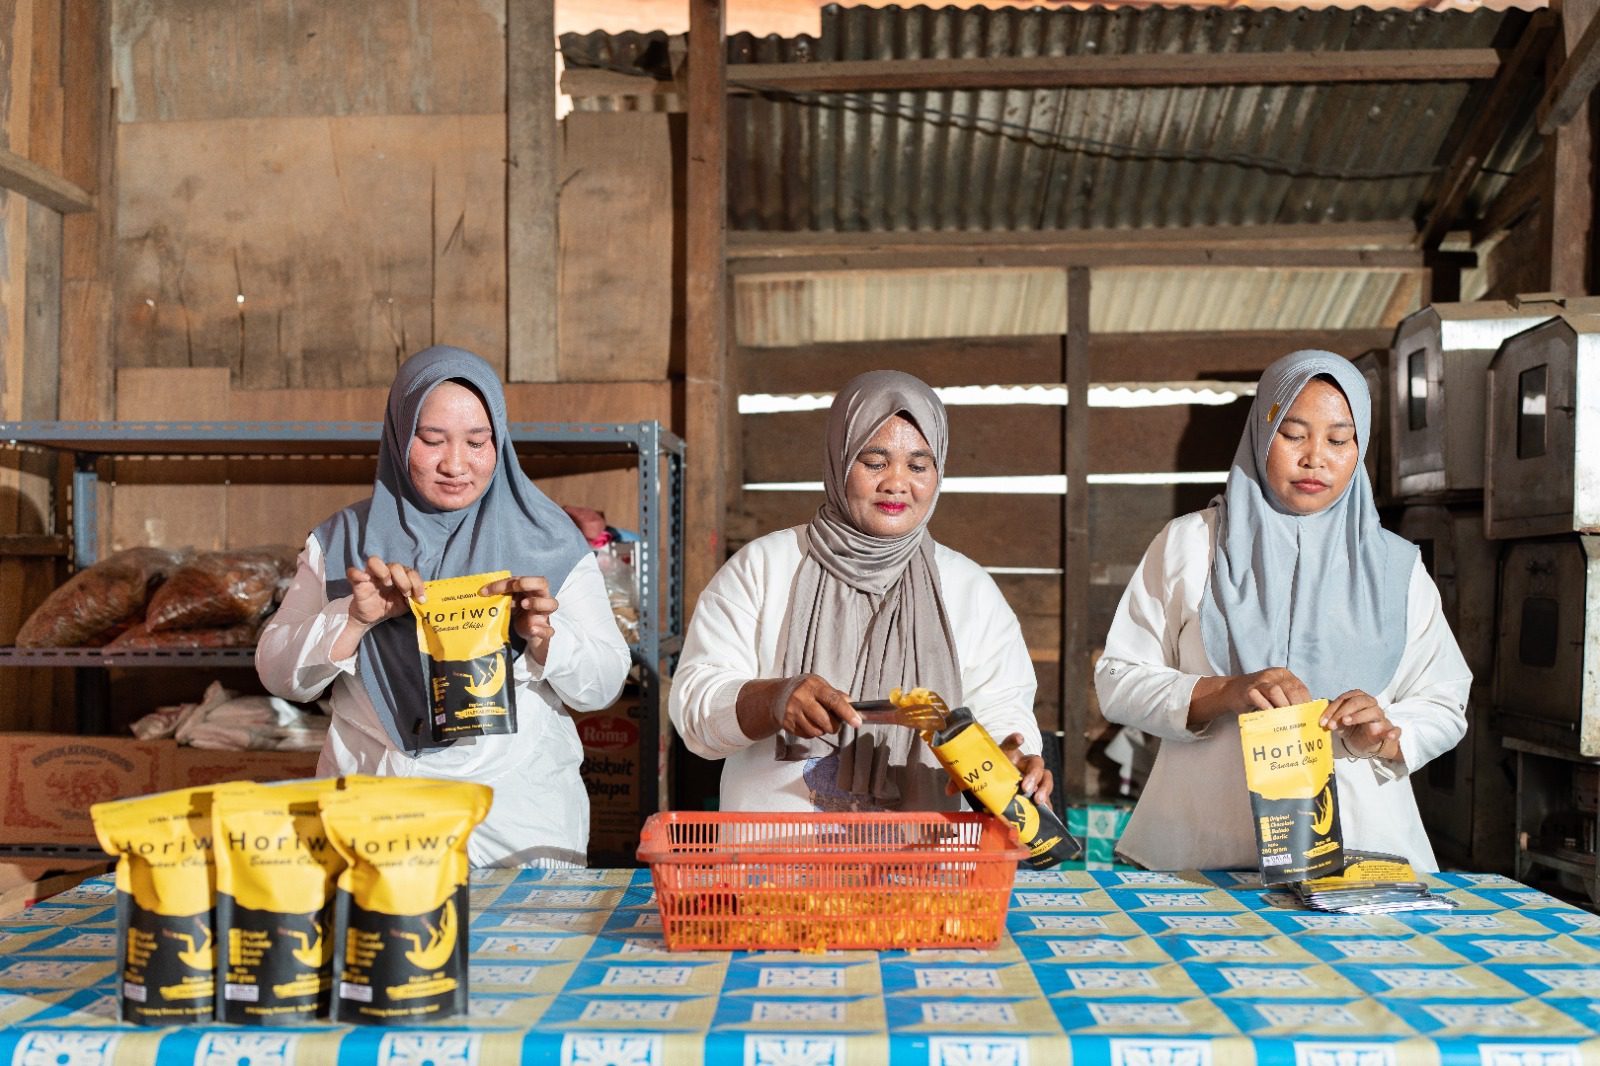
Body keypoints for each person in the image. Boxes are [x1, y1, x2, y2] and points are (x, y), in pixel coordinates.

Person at [1095, 350, 1471, 872]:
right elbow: (1119, 680)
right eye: (1294, 434)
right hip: (1202, 852)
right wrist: (1222, 691)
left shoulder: (1396, 568)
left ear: (1359, 449)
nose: (1315, 457)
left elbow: (1445, 703)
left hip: (1361, 857)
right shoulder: (1191, 545)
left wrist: (1384, 734)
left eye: (1339, 440)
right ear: (1260, 434)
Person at [257, 345, 630, 868]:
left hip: (517, 818)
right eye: (431, 441)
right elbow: (279, 675)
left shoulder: (550, 541)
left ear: (499, 440)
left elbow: (604, 685)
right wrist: (354, 619)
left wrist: (545, 635)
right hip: (375, 814)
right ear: (398, 435)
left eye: (478, 442)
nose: (456, 464)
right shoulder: (342, 542)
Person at [670, 370, 1051, 813]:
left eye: (918, 465)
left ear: (939, 471)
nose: (896, 482)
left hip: (922, 863)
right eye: (874, 462)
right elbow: (695, 712)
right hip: (776, 859)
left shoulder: (969, 589)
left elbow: (1002, 706)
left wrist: (1013, 755)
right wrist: (773, 698)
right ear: (839, 459)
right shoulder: (763, 567)